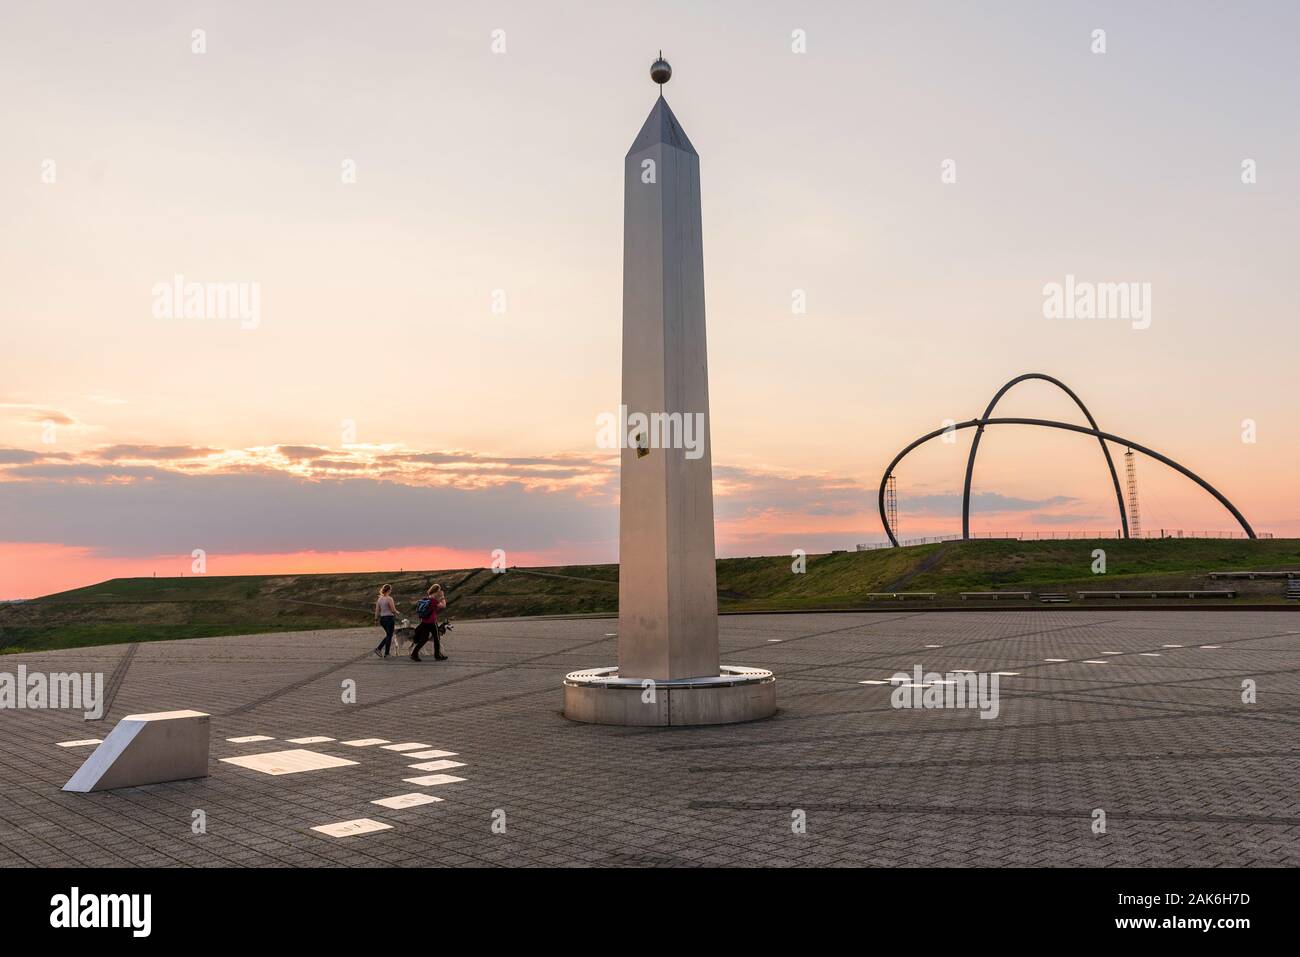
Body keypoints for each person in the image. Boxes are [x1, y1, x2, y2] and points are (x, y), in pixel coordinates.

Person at [410, 584, 448, 662]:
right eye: (439, 590)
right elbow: (443, 606)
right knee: (437, 639)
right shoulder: (433, 600)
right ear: (437, 591)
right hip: (432, 622)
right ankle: (437, 655)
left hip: (424, 622)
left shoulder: (427, 598)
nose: (440, 592)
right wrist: (442, 596)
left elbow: (434, 609)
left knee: (424, 639)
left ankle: (414, 654)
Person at [373, 584, 399, 658]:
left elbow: (377, 610)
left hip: (382, 619)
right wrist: (397, 613)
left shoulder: (379, 599)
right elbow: (393, 610)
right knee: (389, 635)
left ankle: (380, 650)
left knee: (388, 635)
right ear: (389, 590)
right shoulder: (389, 598)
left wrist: (375, 619)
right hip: (389, 619)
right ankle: (385, 653)